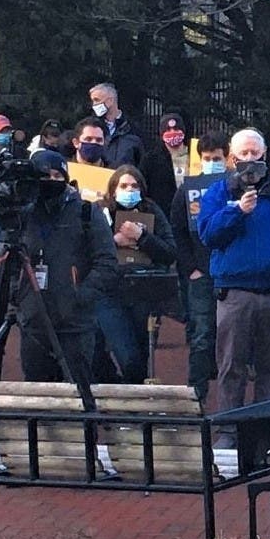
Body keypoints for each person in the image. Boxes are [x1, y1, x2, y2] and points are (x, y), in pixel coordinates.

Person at [197, 128, 270, 445]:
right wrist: (236, 211)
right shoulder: (218, 193)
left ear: (264, 155)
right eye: (243, 154)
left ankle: (264, 433)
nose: (250, 159)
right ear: (233, 158)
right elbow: (208, 235)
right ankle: (228, 431)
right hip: (235, 294)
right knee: (231, 367)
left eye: (255, 153)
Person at [0, 150, 119, 386]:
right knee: (37, 394)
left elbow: (107, 263)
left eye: (58, 175)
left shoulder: (87, 212)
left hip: (76, 324)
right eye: (44, 175)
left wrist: (80, 296)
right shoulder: (22, 215)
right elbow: (1, 263)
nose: (52, 181)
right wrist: (19, 297)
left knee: (79, 390)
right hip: (34, 323)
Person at [94, 164, 178, 384]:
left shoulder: (152, 210)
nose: (129, 190)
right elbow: (85, 253)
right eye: (123, 186)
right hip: (109, 293)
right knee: (127, 356)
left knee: (141, 360)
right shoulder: (99, 211)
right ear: (113, 190)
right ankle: (115, 387)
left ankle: (134, 409)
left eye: (134, 185)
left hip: (143, 290)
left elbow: (170, 252)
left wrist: (142, 237)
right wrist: (114, 242)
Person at [170, 131, 227, 402]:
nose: (212, 162)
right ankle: (197, 394)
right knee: (202, 334)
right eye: (207, 158)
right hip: (201, 272)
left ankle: (230, 394)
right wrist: (191, 267)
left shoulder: (235, 187)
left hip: (230, 272)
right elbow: (177, 231)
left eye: (217, 158)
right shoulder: (185, 190)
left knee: (232, 335)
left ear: (226, 159)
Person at [159, 113, 190, 188]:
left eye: (176, 129)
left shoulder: (195, 155)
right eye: (168, 129)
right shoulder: (151, 160)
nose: (172, 132)